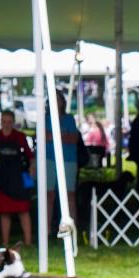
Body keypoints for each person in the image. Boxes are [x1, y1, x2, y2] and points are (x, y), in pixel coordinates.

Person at [0, 110, 35, 247]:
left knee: (23, 209)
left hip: (18, 175)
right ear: (0, 122)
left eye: (9, 121)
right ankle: (5, 242)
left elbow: (29, 156)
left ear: (13, 122)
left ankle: (28, 242)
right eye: (4, 121)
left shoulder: (19, 136)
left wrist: (31, 171)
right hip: (2, 176)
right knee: (4, 211)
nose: (6, 124)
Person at [45, 91, 79, 229]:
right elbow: (43, 137)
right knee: (49, 195)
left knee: (69, 194)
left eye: (58, 100)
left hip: (68, 160)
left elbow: (73, 139)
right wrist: (61, 135)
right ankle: (46, 230)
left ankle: (72, 228)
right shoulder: (45, 119)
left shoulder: (69, 119)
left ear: (62, 102)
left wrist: (54, 136)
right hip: (49, 159)